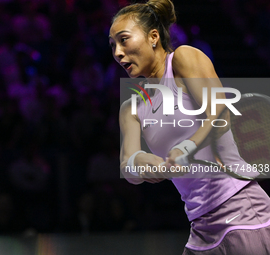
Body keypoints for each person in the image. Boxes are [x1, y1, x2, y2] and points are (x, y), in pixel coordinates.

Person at [109, 0, 270, 254]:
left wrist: (188, 146)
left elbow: (221, 114)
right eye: (113, 45)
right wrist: (142, 163)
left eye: (124, 40)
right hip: (200, 226)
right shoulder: (131, 107)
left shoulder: (183, 59)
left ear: (153, 37)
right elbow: (127, 165)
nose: (118, 52)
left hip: (241, 211)